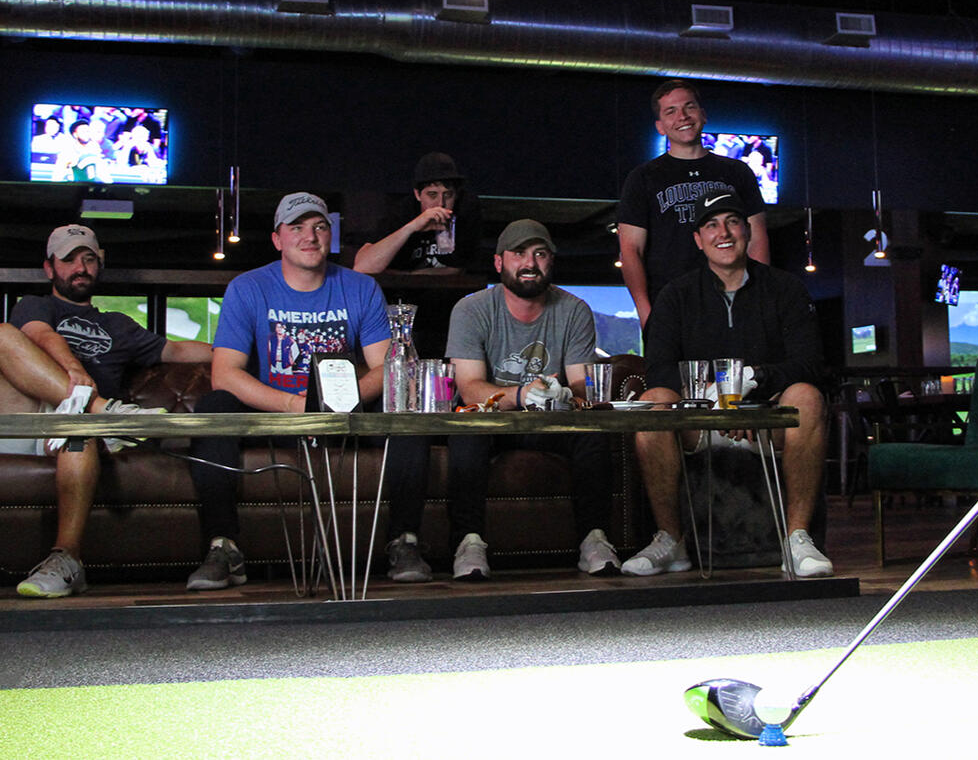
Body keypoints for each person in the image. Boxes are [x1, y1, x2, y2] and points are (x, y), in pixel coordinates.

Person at [186, 192, 436, 589]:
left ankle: (404, 541)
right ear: (277, 239)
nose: (310, 236)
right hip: (275, 410)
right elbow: (225, 374)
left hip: (343, 411)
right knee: (214, 406)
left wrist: (342, 402)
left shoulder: (361, 287)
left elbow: (386, 368)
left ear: (330, 236)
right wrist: (294, 405)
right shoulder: (247, 288)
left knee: (404, 408)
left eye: (320, 227)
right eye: (297, 227)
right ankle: (222, 547)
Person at [0, 224, 212, 598]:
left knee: (78, 429)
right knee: (0, 335)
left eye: (89, 259)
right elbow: (41, 335)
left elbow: (176, 351)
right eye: (69, 260)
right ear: (49, 267)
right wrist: (77, 374)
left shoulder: (118, 325)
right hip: (22, 418)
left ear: (100, 266)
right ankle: (106, 413)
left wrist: (240, 351)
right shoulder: (35, 305)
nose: (80, 268)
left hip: (74, 426)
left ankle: (66, 560)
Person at [623, 193, 833, 579]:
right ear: (698, 239)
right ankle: (671, 540)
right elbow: (660, 370)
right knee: (653, 402)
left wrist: (751, 388)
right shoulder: (675, 295)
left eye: (732, 222)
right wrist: (713, 400)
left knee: (807, 395)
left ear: (747, 231)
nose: (723, 232)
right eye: (711, 225)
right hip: (699, 420)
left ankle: (797, 539)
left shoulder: (786, 289)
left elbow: (809, 364)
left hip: (765, 420)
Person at [443, 218, 620, 581]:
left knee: (593, 430)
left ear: (551, 261)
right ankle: (469, 541)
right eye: (519, 253)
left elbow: (580, 384)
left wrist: (564, 394)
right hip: (494, 420)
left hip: (550, 419)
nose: (530, 263)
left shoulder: (574, 309)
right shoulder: (471, 309)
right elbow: (470, 387)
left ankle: (594, 539)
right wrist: (523, 394)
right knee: (466, 427)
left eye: (540, 254)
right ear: (499, 262)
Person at [616, 80, 770, 326]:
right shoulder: (643, 178)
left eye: (689, 107)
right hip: (670, 308)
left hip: (734, 304)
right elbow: (631, 250)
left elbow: (757, 239)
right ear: (660, 127)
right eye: (671, 111)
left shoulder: (737, 172)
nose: (683, 116)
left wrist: (756, 300)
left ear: (703, 115)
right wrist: (646, 314)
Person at [354, 152, 484, 276]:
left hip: (449, 290)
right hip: (398, 290)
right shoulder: (401, 211)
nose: (440, 204)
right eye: (432, 195)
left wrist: (410, 276)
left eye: (448, 195)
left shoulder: (465, 209)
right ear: (417, 194)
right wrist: (411, 227)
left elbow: (459, 269)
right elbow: (362, 268)